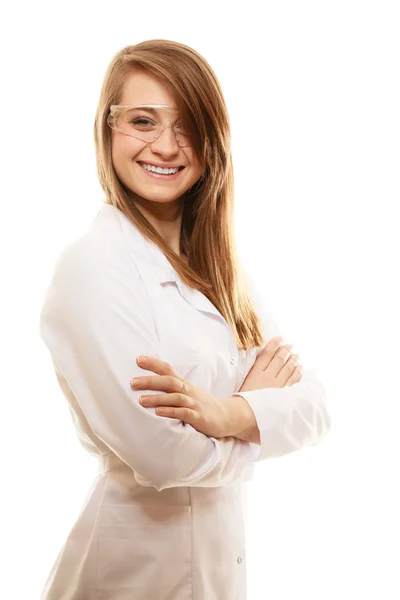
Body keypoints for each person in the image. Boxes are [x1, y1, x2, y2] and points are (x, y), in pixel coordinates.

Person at [39, 39, 331, 600]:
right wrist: (258, 418)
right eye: (143, 121)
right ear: (107, 130)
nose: (167, 146)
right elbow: (163, 455)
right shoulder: (94, 266)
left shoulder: (223, 274)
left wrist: (222, 413)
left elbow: (315, 408)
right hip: (129, 579)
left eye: (188, 125)